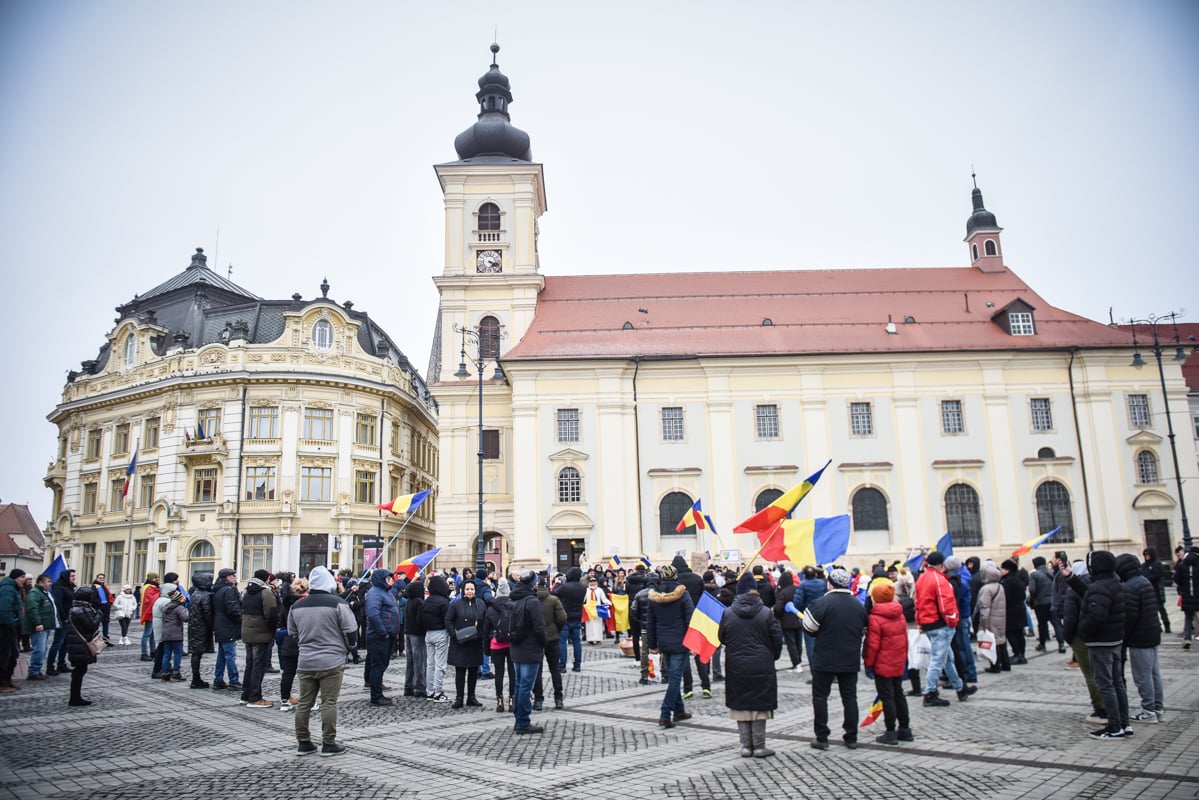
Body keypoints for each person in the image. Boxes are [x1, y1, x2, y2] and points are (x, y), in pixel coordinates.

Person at [288, 566, 357, 756]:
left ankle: (303, 742)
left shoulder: (297, 606)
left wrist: (305, 645)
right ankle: (328, 743)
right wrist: (348, 648)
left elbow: (292, 633)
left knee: (304, 703)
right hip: (331, 660)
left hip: (306, 660)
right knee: (329, 702)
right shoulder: (337, 603)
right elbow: (350, 630)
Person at [719, 572, 783, 757]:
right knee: (760, 704)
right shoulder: (766, 612)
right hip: (762, 663)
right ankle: (760, 745)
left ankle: (746, 746)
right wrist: (773, 656)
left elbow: (721, 637)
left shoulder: (728, 612)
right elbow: (776, 638)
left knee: (741, 704)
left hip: (736, 664)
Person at [803, 567, 867, 749]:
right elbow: (863, 628)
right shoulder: (857, 605)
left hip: (825, 657)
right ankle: (851, 737)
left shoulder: (822, 603)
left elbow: (808, 628)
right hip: (850, 657)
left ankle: (822, 737)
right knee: (850, 698)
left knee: (821, 697)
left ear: (830, 583)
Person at [1073, 550, 1129, 740]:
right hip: (1115, 640)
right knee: (1117, 683)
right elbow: (1091, 594)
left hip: (1101, 642)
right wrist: (1071, 578)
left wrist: (1083, 631)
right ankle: (1124, 722)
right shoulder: (1115, 582)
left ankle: (1114, 727)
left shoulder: (1099, 586)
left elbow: (1097, 616)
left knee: (1105, 685)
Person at [914, 551, 975, 706]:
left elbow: (918, 602)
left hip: (929, 622)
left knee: (947, 658)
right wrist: (953, 620)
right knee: (937, 660)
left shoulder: (922, 578)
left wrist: (920, 622)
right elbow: (946, 604)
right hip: (940, 624)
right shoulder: (940, 580)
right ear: (942, 565)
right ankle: (929, 693)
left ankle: (960, 688)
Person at [863, 578, 914, 745]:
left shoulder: (875, 618)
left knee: (887, 697)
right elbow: (904, 640)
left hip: (882, 663)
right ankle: (905, 729)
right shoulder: (899, 614)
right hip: (897, 661)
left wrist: (868, 665)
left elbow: (872, 645)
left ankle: (890, 731)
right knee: (899, 694)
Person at [1116, 553, 1164, 724]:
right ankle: (1158, 707)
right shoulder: (1144, 581)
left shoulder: (1130, 587)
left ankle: (1148, 710)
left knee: (1143, 676)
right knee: (1154, 673)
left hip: (1139, 637)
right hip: (1152, 634)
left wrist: (1124, 638)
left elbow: (1130, 617)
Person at [646, 564, 695, 729]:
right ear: (676, 576)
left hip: (663, 641)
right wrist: (693, 641)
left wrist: (652, 644)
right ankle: (665, 713)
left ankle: (679, 711)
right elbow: (690, 619)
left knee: (673, 676)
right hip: (680, 642)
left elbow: (650, 623)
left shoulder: (654, 596)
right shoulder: (683, 594)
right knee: (675, 679)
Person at [508, 569, 548, 735]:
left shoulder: (514, 599)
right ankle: (523, 721)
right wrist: (543, 643)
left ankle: (519, 719)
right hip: (530, 648)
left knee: (519, 685)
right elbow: (539, 627)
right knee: (525, 686)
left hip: (516, 647)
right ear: (533, 584)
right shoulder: (532, 601)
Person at [241, 569, 277, 708]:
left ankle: (246, 694)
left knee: (250, 664)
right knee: (258, 665)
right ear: (267, 579)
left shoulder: (247, 591)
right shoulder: (265, 592)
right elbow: (271, 614)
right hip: (261, 632)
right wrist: (272, 630)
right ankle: (255, 697)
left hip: (248, 631)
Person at [364, 568, 399, 706]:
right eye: (387, 578)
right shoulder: (375, 593)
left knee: (381, 664)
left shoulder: (385, 592)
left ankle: (378, 691)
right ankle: (376, 696)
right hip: (379, 636)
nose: (389, 580)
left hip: (387, 635)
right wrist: (383, 632)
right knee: (378, 665)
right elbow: (373, 614)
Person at [65, 586, 103, 706]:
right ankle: (75, 697)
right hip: (81, 644)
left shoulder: (75, 608)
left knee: (80, 670)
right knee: (79, 670)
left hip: (76, 643)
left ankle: (75, 696)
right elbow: (92, 625)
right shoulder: (82, 609)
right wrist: (98, 615)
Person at [483, 576, 516, 712]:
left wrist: (486, 649)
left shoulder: (491, 609)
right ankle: (512, 699)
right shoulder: (513, 606)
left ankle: (499, 700)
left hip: (496, 645)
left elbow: (485, 632)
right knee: (512, 672)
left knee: (499, 673)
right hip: (511, 644)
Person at [534, 575, 567, 711]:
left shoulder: (531, 601)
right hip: (552, 637)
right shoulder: (553, 600)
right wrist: (555, 629)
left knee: (537, 671)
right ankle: (558, 698)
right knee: (555, 669)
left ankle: (538, 700)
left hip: (536, 639)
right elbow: (562, 618)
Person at [420, 574, 452, 703]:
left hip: (429, 634)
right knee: (440, 664)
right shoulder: (444, 602)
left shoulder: (427, 600)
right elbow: (448, 619)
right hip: (440, 633)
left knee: (430, 664)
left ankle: (430, 691)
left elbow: (420, 618)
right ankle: (438, 692)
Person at [277, 576, 307, 711]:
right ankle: (308, 700)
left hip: (289, 639)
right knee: (306, 673)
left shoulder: (286, 602)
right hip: (303, 640)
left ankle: (284, 700)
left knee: (288, 672)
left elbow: (283, 621)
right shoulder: (304, 604)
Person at [211, 568, 243, 691]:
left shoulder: (218, 590)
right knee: (230, 655)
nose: (234, 577)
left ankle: (218, 679)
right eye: (232, 576)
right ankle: (233, 680)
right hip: (227, 625)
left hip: (220, 624)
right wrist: (241, 618)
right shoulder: (228, 590)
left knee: (222, 655)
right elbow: (232, 609)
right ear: (226, 578)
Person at [23, 573, 56, 681]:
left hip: (45, 626)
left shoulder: (44, 593)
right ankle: (33, 671)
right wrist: (38, 623)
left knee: (43, 648)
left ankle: (37, 670)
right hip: (39, 627)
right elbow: (33, 609)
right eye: (48, 582)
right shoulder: (35, 593)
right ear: (41, 582)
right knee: (39, 649)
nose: (50, 584)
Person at [976, 562, 1009, 673]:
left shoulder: (986, 589)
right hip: (1000, 617)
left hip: (991, 619)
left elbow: (985, 608)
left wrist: (984, 624)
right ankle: (1006, 664)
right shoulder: (1000, 586)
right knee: (1001, 640)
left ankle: (995, 665)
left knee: (992, 642)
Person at [554, 567, 586, 672]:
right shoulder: (583, 587)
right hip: (577, 616)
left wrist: (558, 583)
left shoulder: (564, 587)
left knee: (562, 641)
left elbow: (554, 593)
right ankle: (577, 664)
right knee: (577, 641)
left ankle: (562, 665)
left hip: (565, 616)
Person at [0, 569, 27, 691]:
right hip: (5, 628)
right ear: (15, 578)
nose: (24, 580)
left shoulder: (14, 589)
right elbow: (4, 609)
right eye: (22, 577)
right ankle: (1, 682)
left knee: (13, 654)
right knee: (5, 655)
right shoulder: (8, 589)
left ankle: (7, 679)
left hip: (12, 627)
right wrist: (11, 623)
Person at [187, 573, 214, 689]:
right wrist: (213, 626)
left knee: (195, 653)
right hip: (201, 627)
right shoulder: (205, 595)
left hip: (194, 626)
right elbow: (207, 612)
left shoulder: (195, 593)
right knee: (197, 653)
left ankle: (195, 677)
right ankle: (195, 678)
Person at [48, 569, 78, 674]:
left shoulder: (69, 587)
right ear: (66, 577)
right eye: (72, 576)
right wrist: (64, 617)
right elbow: (58, 604)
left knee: (65, 643)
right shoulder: (59, 588)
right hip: (62, 619)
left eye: (74, 576)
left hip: (69, 619)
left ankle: (61, 664)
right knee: (58, 643)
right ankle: (50, 666)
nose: (74, 578)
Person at [1029, 556, 1062, 653]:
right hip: (1053, 601)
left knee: (1042, 624)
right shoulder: (1052, 572)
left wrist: (1033, 597)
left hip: (1041, 602)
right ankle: (1061, 644)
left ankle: (1042, 644)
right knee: (1056, 623)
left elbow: (1032, 590)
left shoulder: (1034, 574)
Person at [773, 570, 803, 673]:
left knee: (791, 643)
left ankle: (796, 663)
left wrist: (776, 614)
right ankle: (799, 660)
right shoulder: (797, 589)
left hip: (787, 621)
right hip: (798, 619)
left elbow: (778, 608)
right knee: (798, 642)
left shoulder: (783, 592)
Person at [1000, 559, 1028, 665]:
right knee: (1019, 633)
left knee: (1011, 632)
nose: (1001, 570)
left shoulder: (1008, 581)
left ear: (1008, 570)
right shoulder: (1016, 579)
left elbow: (1007, 597)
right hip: (1019, 609)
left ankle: (1018, 654)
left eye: (1003, 568)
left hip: (1012, 611)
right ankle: (1021, 654)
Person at [402, 578, 426, 698]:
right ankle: (419, 687)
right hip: (417, 634)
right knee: (419, 661)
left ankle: (408, 686)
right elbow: (420, 620)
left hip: (407, 632)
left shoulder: (409, 601)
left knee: (410, 661)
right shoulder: (419, 602)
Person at [159, 586, 189, 682]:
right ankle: (176, 672)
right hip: (176, 634)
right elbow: (186, 618)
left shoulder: (166, 607)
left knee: (166, 654)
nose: (184, 598)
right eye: (182, 597)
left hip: (166, 633)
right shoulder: (179, 608)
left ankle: (165, 673)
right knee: (177, 654)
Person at [1141, 548, 1171, 635]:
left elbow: (1157, 575)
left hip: (1157, 590)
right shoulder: (1144, 566)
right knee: (1152, 611)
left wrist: (1147, 578)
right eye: (1145, 555)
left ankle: (1167, 625)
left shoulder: (1157, 564)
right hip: (1148, 591)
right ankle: (1158, 626)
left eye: (1148, 555)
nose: (1147, 557)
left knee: (1161, 609)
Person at [1175, 545, 1199, 649]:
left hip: (1186, 595)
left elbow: (1176, 579)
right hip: (1197, 594)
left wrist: (1182, 587)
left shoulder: (1182, 564)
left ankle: (1187, 637)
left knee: (1188, 617)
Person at [138, 572, 159, 662]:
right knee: (147, 634)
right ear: (151, 578)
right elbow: (150, 600)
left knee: (152, 635)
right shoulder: (149, 588)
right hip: (149, 613)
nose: (157, 579)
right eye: (155, 578)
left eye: (157, 577)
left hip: (152, 613)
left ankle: (153, 651)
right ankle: (144, 653)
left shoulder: (151, 587)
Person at [583, 576, 610, 645]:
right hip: (589, 609)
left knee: (598, 624)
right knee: (589, 624)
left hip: (597, 608)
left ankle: (598, 638)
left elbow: (603, 598)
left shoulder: (599, 590)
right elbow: (583, 599)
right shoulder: (586, 590)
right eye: (591, 582)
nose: (592, 583)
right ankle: (590, 639)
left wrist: (608, 602)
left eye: (594, 582)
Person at [90, 573, 114, 644]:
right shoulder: (95, 587)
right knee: (96, 625)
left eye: (103, 578)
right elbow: (93, 598)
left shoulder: (104, 587)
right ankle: (94, 639)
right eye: (100, 578)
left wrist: (109, 603)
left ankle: (105, 639)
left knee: (105, 624)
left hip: (105, 609)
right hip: (98, 608)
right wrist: (101, 603)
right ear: (97, 579)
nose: (101, 579)